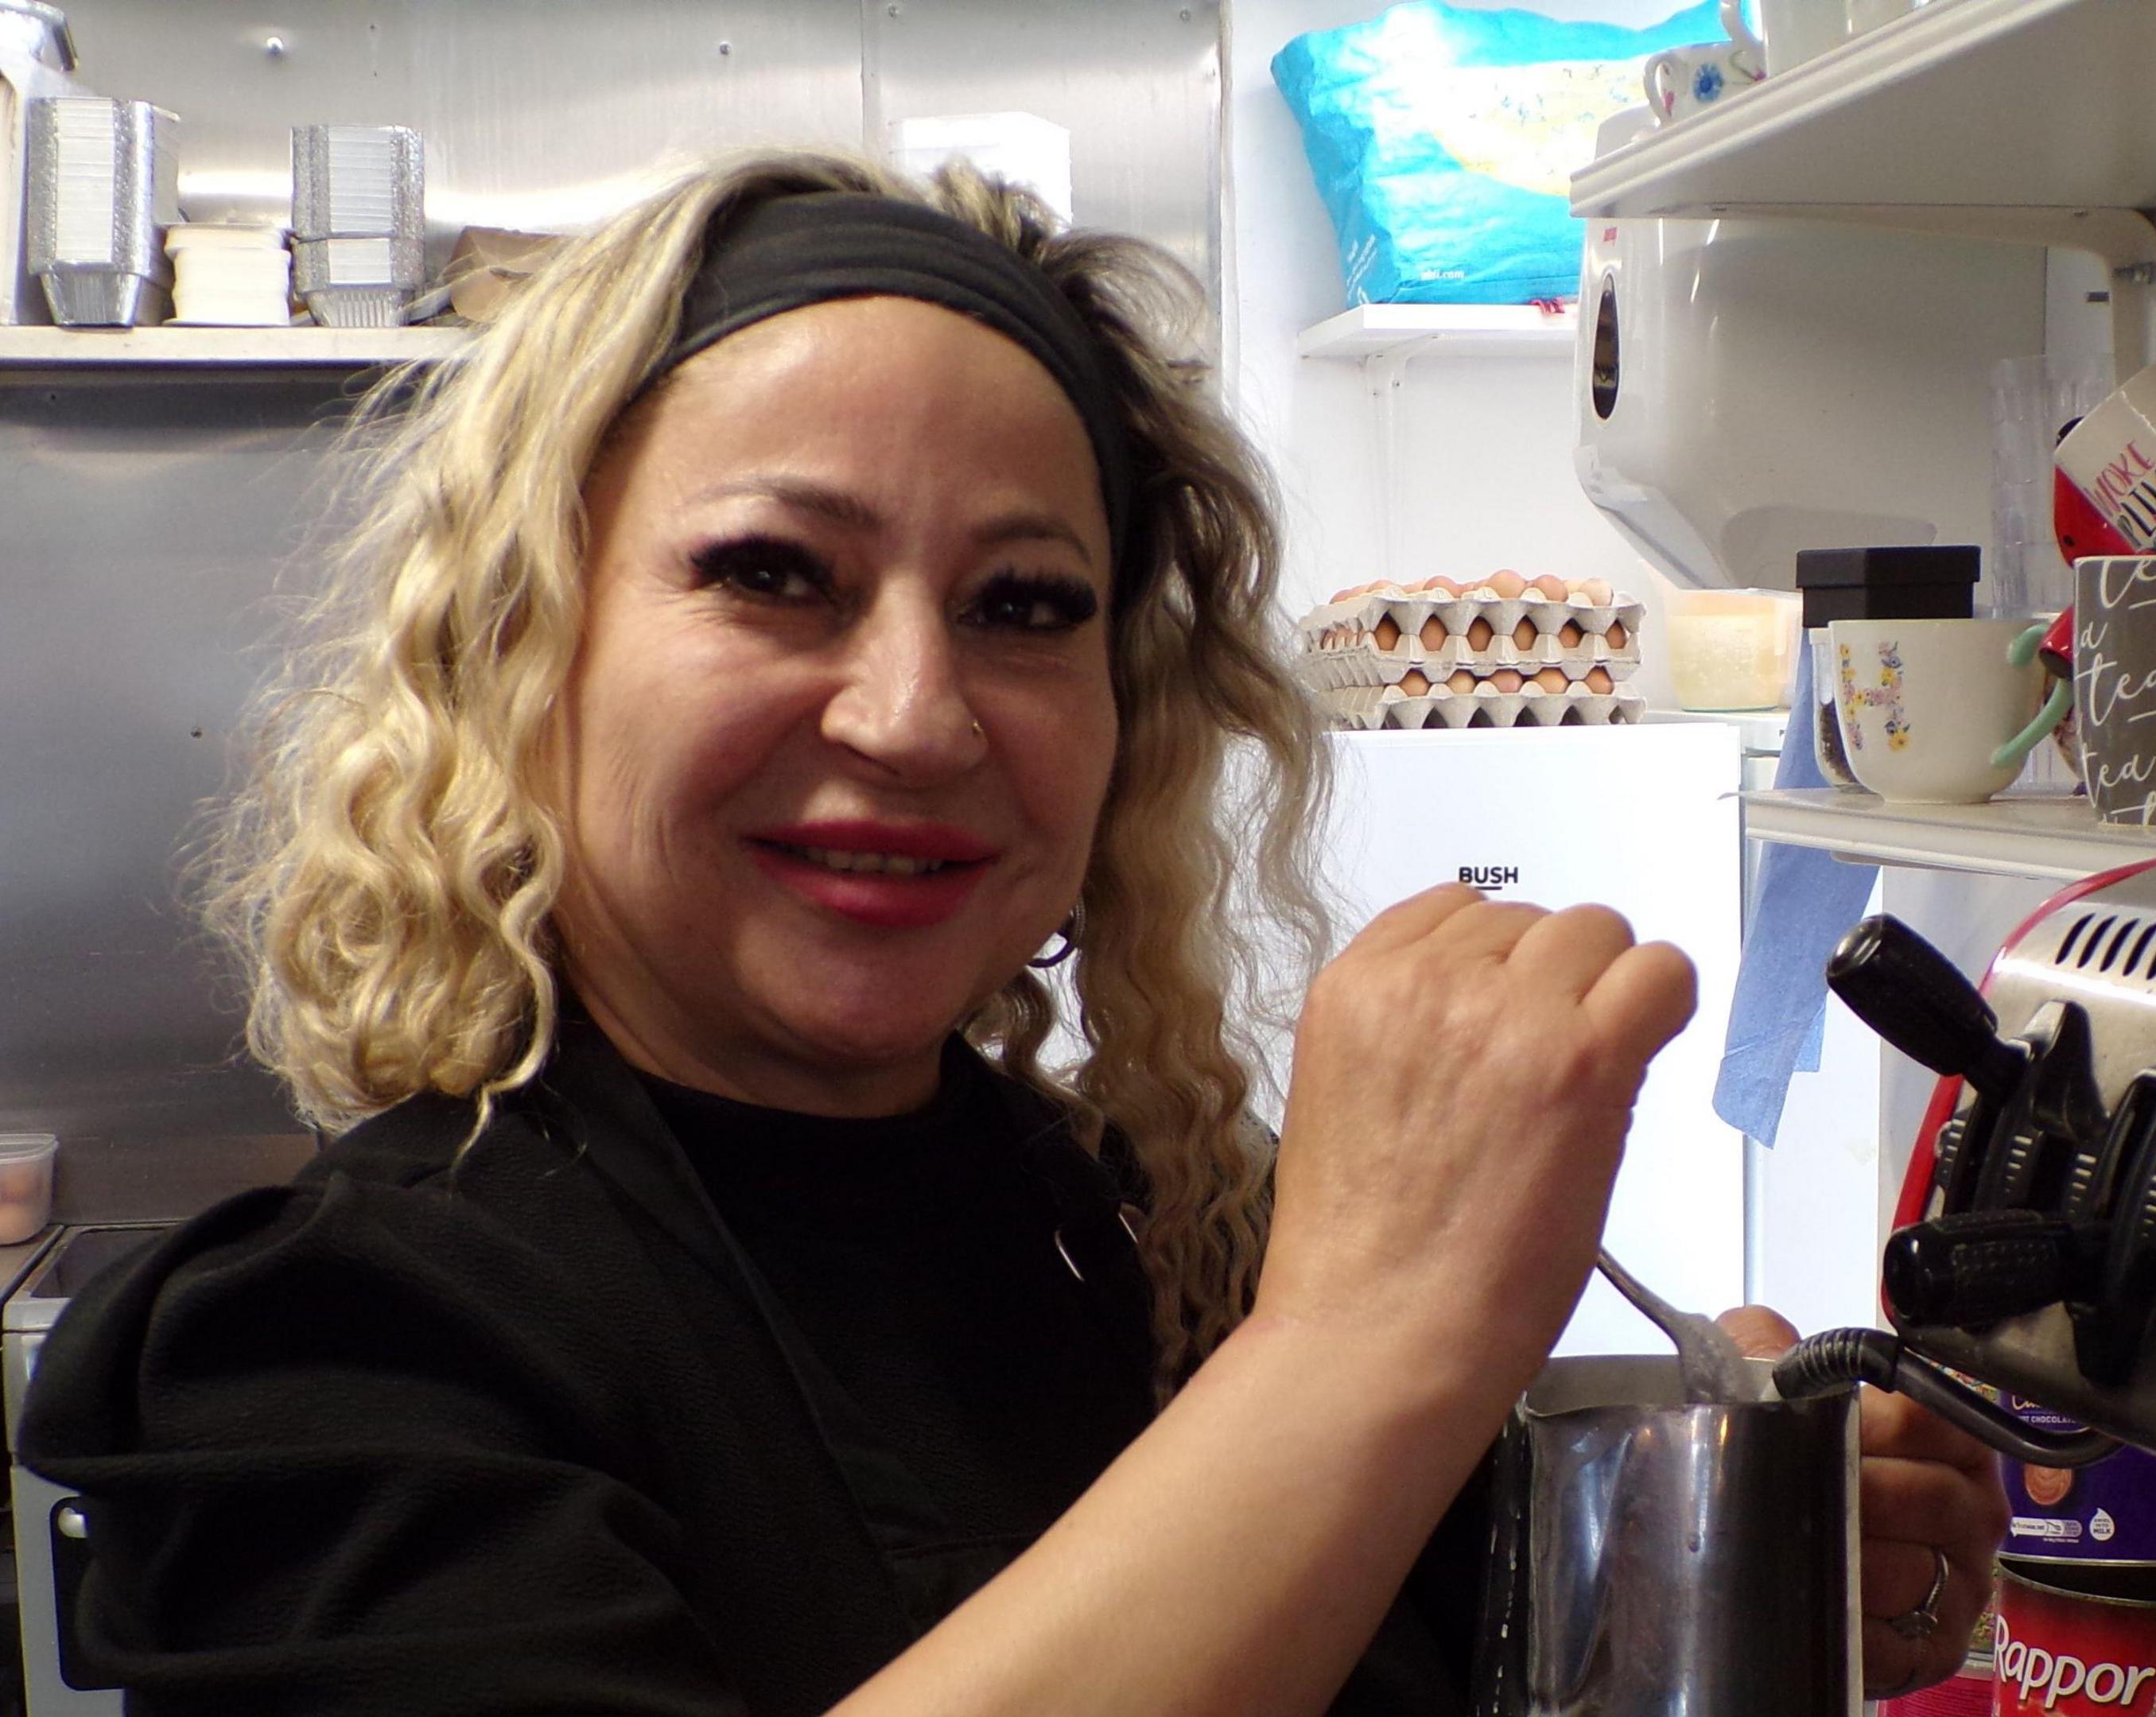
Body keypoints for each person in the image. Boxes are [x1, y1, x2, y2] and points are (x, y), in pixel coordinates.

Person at [21, 149, 2004, 1715]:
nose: (913, 714)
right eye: (775, 573)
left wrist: (1675, 1527)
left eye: (1026, 605)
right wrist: (1366, 1342)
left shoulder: (1133, 1239)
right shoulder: (334, 1353)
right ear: (529, 659)